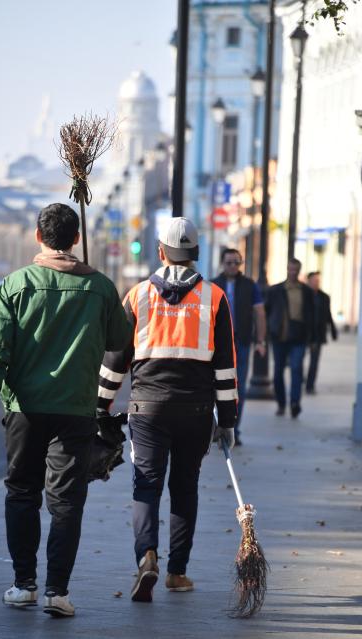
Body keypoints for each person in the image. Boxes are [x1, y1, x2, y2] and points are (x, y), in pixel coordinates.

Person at [0, 203, 131, 617]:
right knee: (66, 501)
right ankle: (57, 592)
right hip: (76, 409)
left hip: (25, 409)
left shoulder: (16, 283)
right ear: (77, 239)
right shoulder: (99, 286)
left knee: (21, 492)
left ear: (38, 237)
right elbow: (119, 340)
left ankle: (23, 584)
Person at [97, 217, 238, 603]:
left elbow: (116, 360)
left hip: (147, 410)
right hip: (195, 412)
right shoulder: (215, 299)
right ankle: (177, 572)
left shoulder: (138, 296)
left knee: (146, 484)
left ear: (160, 251)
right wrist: (227, 421)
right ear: (195, 254)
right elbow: (225, 367)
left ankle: (147, 558)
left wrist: (100, 406)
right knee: (184, 487)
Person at [212, 248, 266, 445]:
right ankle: (215, 426)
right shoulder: (213, 285)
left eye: (237, 262)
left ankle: (233, 428)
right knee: (213, 386)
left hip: (241, 343)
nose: (233, 266)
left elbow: (260, 313)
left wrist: (260, 341)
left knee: (238, 387)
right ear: (222, 264)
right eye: (229, 262)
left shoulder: (250, 285)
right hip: (215, 345)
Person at [266, 258, 315, 418]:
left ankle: (295, 403)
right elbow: (267, 312)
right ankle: (281, 403)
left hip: (299, 338)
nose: (292, 272)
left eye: (295, 270)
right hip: (279, 337)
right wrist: (267, 332)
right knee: (278, 372)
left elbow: (312, 315)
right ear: (287, 269)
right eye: (290, 269)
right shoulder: (276, 290)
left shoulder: (306, 291)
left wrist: (312, 337)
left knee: (296, 370)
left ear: (299, 271)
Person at [305, 271, 338, 394]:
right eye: (314, 281)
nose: (316, 283)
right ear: (308, 282)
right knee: (297, 361)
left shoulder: (324, 297)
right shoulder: (303, 295)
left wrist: (333, 329)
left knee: (314, 362)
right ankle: (300, 380)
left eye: (318, 281)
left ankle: (310, 385)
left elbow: (328, 314)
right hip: (303, 334)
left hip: (318, 334)